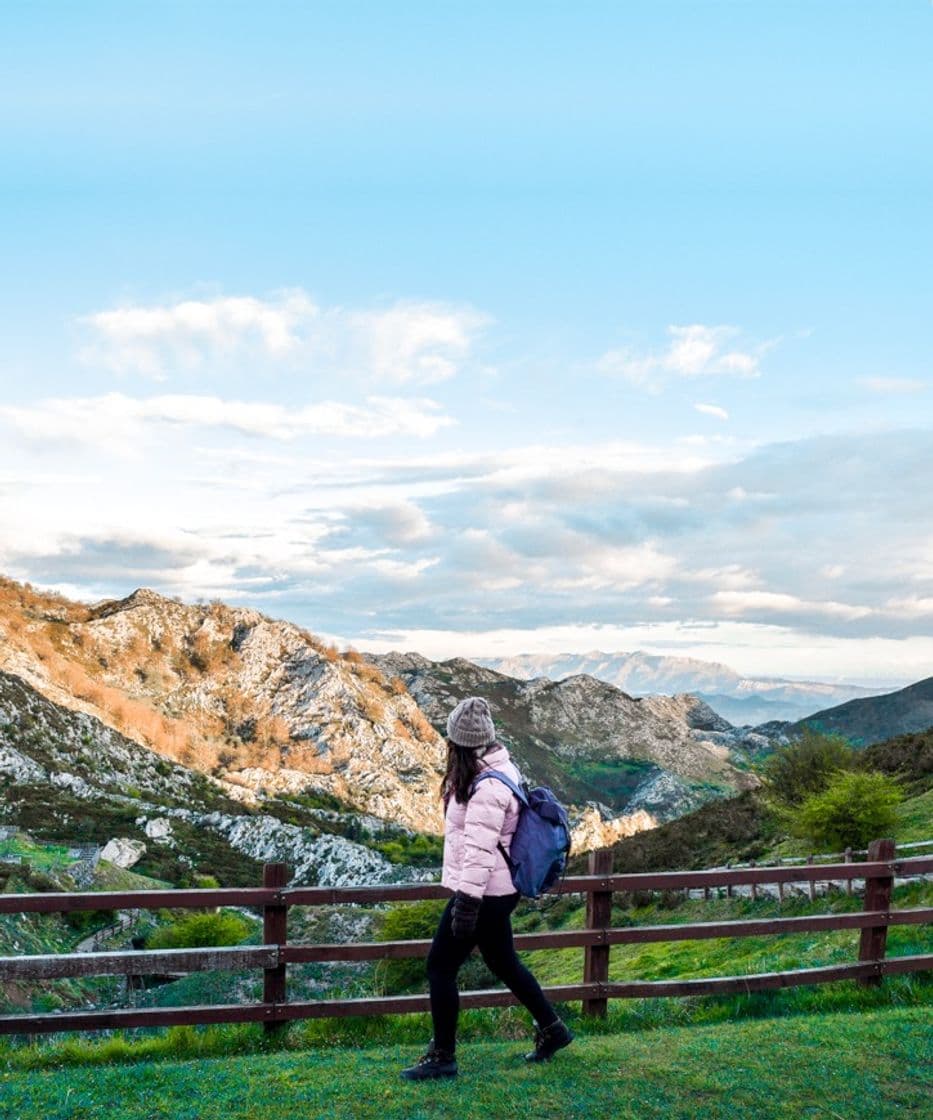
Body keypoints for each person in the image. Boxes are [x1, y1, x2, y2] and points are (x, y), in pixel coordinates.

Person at [400, 695, 574, 1080]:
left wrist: (466, 904)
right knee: (503, 961)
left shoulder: (487, 788)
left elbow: (479, 852)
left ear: (460, 744)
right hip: (497, 891)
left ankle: (443, 1056)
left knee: (440, 967)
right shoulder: (498, 768)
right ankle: (553, 1029)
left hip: (483, 893)